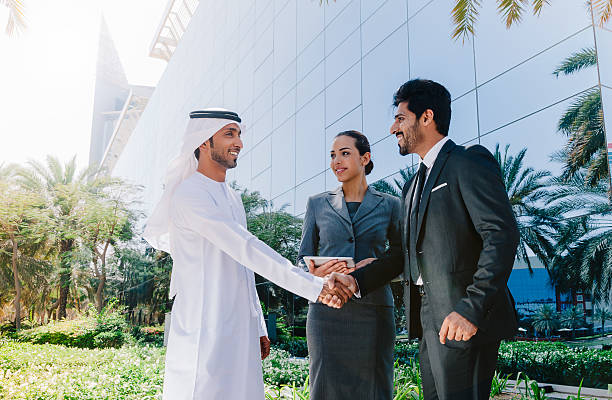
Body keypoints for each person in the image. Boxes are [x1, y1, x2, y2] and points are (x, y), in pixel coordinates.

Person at [143, 108, 355, 400]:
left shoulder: (231, 196)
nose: (239, 142)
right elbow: (245, 246)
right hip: (205, 328)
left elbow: (244, 265)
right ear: (204, 142)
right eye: (229, 134)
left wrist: (256, 324)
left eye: (239, 134)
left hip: (239, 328)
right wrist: (314, 286)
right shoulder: (189, 193)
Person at [328, 79, 520, 400]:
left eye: (400, 118)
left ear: (427, 117)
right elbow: (401, 255)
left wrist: (471, 308)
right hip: (428, 320)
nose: (392, 128)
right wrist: (355, 280)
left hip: (464, 317)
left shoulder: (468, 161)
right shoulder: (412, 186)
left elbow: (501, 236)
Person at [297, 130, 401, 399]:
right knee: (325, 388)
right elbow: (301, 260)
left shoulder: (391, 205)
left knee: (375, 389)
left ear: (365, 158)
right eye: (333, 155)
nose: (336, 161)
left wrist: (374, 264)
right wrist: (314, 272)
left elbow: (402, 256)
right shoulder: (317, 204)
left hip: (374, 311)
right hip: (326, 311)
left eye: (345, 153)